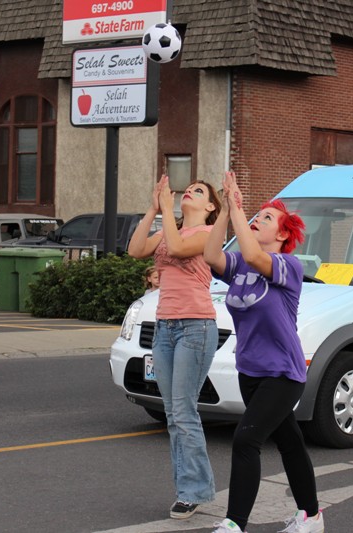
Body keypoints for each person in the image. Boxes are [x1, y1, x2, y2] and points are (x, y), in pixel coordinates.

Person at [204, 171, 323, 533]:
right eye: (256, 215)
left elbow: (256, 255)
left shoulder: (289, 267)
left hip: (283, 374)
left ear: (283, 234)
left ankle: (234, 524)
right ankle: (312, 516)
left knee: (246, 439)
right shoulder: (239, 266)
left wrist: (239, 205)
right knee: (289, 442)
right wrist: (227, 208)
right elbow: (211, 253)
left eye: (266, 218)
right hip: (250, 371)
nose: (257, 219)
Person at [128, 175, 221, 520]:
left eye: (199, 191)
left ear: (210, 207)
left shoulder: (208, 234)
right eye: (188, 190)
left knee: (183, 412)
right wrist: (153, 208)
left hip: (196, 326)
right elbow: (136, 250)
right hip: (165, 328)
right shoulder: (170, 228)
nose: (189, 193)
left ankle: (193, 491)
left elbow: (180, 250)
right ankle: (192, 488)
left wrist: (167, 210)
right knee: (174, 414)